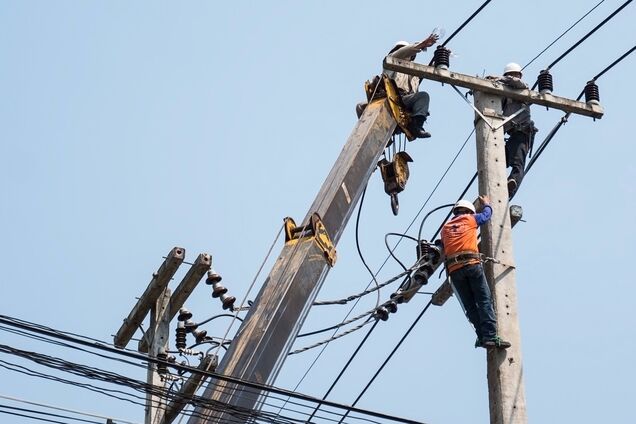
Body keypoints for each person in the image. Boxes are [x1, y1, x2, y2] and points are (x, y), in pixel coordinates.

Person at [440, 196, 511, 349]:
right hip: (471, 265)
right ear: (469, 211)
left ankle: (482, 336)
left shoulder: (445, 228)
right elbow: (486, 215)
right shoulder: (470, 219)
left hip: (454, 270)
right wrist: (487, 204)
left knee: (471, 306)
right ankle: (490, 336)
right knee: (484, 300)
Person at [356, 34, 439, 139]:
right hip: (390, 98)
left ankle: (416, 127)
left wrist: (441, 58)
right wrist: (422, 44)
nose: (403, 52)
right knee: (360, 106)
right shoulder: (391, 60)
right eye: (401, 49)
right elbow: (402, 52)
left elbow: (430, 70)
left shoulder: (414, 71)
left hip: (405, 101)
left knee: (423, 96)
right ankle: (373, 133)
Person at [492, 63, 538, 199]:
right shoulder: (504, 95)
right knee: (497, 161)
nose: (514, 76)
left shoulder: (523, 88)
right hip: (512, 135)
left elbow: (517, 83)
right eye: (511, 74)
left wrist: (499, 78)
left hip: (523, 133)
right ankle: (496, 187)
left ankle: (510, 190)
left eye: (515, 74)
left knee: (518, 165)